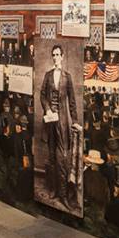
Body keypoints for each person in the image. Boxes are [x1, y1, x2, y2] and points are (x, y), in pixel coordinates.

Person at [39, 44, 81, 210]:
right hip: (50, 121)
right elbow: (42, 95)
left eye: (58, 54)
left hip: (62, 122)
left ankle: (63, 195)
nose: (56, 57)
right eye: (54, 55)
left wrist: (74, 121)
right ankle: (53, 190)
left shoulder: (67, 77)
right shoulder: (48, 75)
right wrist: (48, 109)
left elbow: (72, 102)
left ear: (62, 57)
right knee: (51, 157)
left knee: (62, 158)